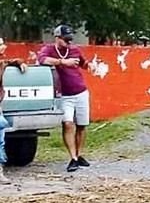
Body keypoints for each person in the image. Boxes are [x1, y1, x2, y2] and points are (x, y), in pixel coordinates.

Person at [38, 25, 91, 173]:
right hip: (64, 95)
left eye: (70, 40)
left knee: (82, 124)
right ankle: (73, 157)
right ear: (57, 38)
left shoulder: (74, 50)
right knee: (68, 124)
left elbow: (83, 63)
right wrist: (63, 62)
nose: (68, 43)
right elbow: (42, 60)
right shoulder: (49, 49)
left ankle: (79, 155)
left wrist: (89, 65)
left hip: (80, 91)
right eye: (65, 39)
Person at [0, 40, 29, 185]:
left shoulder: (2, 63)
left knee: (0, 136)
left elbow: (14, 60)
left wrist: (20, 63)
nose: (2, 47)